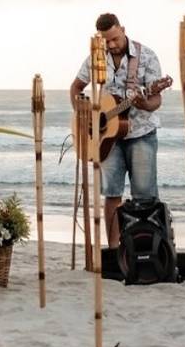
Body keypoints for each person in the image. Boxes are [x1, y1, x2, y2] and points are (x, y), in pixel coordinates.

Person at [70, 13, 163, 249]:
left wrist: (143, 102)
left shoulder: (147, 56)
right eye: (106, 41)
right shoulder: (96, 59)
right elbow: (76, 87)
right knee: (112, 193)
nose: (111, 45)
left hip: (141, 133)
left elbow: (155, 101)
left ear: (122, 29)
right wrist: (84, 117)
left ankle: (145, 247)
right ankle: (113, 250)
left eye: (114, 39)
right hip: (107, 139)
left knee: (145, 195)